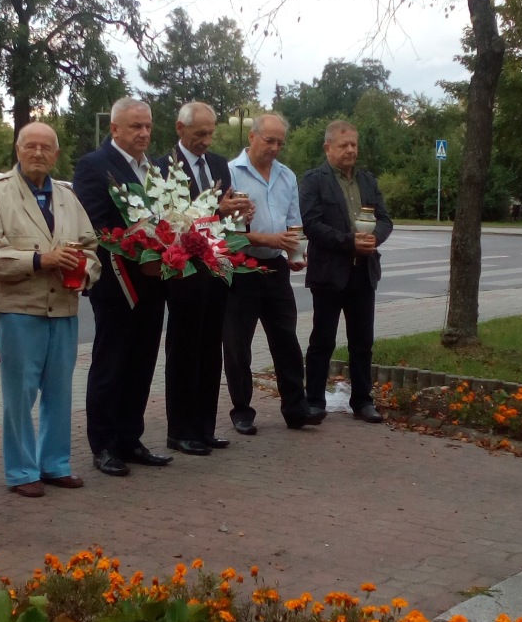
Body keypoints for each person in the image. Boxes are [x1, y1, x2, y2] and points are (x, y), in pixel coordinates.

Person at [0, 122, 101, 498]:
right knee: (20, 394)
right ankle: (21, 470)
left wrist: (83, 272)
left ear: (57, 155)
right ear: (17, 150)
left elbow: (91, 248)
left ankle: (55, 464)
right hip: (17, 308)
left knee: (60, 391)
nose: (38, 153)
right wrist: (41, 259)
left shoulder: (67, 197)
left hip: (62, 306)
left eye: (46, 148)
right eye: (30, 146)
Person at [72, 97, 173, 476]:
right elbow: (97, 227)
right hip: (117, 283)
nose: (144, 133)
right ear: (114, 128)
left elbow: (169, 216)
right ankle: (104, 445)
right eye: (135, 126)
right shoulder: (94, 166)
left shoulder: (157, 169)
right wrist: (140, 251)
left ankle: (131, 438)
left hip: (154, 282)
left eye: (147, 126)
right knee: (111, 364)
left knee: (143, 363)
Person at [154, 101, 252, 455]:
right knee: (184, 351)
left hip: (215, 269)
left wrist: (240, 213)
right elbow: (170, 217)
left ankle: (204, 427)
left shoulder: (217, 164)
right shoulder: (162, 167)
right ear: (180, 130)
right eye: (200, 134)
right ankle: (180, 430)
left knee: (211, 349)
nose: (207, 141)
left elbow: (225, 212)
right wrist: (215, 210)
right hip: (183, 271)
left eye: (211, 133)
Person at [223, 113, 325, 435]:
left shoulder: (286, 176)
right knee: (238, 344)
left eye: (280, 142)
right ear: (252, 137)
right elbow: (225, 232)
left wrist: (295, 253)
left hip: (275, 266)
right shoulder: (230, 173)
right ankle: (242, 410)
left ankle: (296, 409)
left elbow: (294, 222)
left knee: (286, 339)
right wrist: (268, 239)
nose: (275, 148)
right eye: (269, 140)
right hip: (240, 266)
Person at [300, 120, 393, 424]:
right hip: (329, 273)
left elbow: (385, 219)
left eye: (354, 144)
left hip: (363, 272)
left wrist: (373, 238)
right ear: (328, 148)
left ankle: (363, 401)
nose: (351, 149)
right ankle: (313, 401)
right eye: (344, 145)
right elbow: (311, 224)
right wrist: (350, 242)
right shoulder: (314, 180)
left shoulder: (367, 181)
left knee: (362, 341)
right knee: (323, 340)